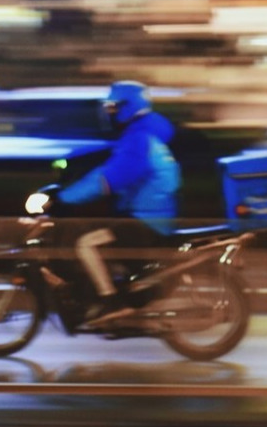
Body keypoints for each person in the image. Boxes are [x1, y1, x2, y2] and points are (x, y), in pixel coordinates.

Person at [56, 80, 182, 321]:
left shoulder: (138, 139)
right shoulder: (144, 133)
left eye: (113, 107)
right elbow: (112, 166)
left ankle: (110, 300)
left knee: (85, 244)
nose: (109, 112)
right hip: (150, 214)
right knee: (101, 232)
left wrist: (64, 198)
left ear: (129, 107)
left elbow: (108, 179)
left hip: (145, 220)